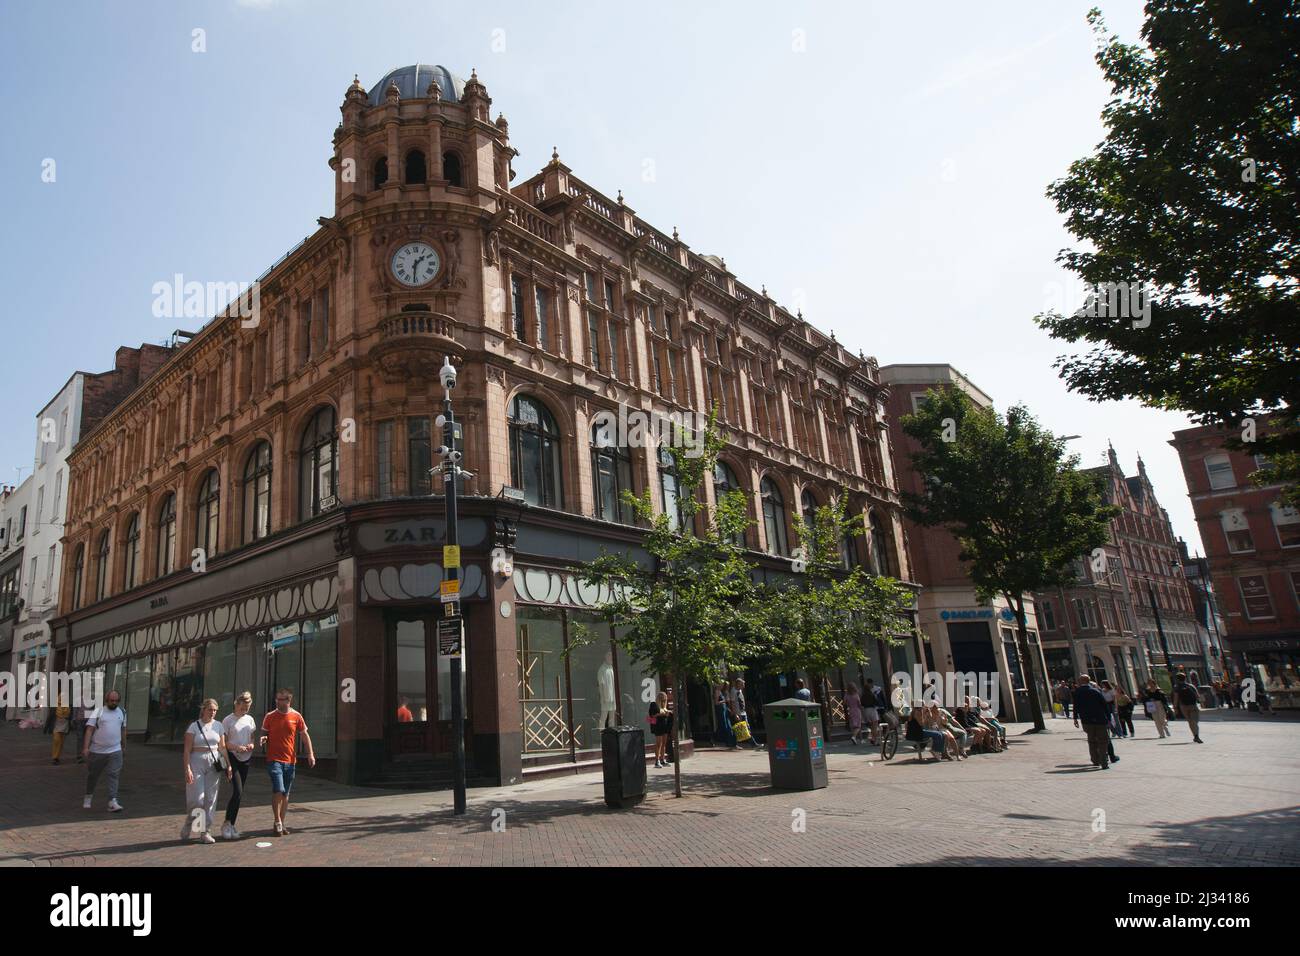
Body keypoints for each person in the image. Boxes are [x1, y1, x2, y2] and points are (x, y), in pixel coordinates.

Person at [260, 688, 315, 837]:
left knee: (285, 793)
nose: (277, 702)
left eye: (281, 699)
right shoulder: (270, 716)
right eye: (276, 699)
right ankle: (277, 821)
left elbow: (304, 735)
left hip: (290, 761)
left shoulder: (296, 716)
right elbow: (264, 733)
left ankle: (281, 823)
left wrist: (310, 753)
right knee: (278, 789)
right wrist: (263, 739)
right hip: (274, 760)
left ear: (288, 701)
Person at [182, 698, 231, 844]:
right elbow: (186, 750)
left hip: (214, 762)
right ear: (203, 709)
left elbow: (222, 747)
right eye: (210, 709)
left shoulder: (219, 726)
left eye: (215, 710)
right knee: (197, 799)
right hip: (197, 760)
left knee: (210, 798)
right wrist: (187, 768)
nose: (213, 713)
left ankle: (205, 831)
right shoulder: (194, 727)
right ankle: (190, 820)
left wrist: (228, 765)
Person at [82, 690, 127, 811]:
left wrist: (124, 745)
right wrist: (86, 747)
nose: (114, 703)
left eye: (116, 701)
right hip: (97, 751)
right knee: (93, 775)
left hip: (115, 750)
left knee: (114, 775)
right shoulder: (98, 712)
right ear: (106, 700)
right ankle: (88, 796)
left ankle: (112, 801)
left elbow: (123, 729)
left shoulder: (122, 712)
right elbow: (89, 730)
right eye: (111, 700)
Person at [221, 691, 257, 840]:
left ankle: (231, 824)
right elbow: (224, 743)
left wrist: (251, 745)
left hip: (246, 758)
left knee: (239, 794)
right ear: (236, 704)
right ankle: (226, 823)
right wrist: (236, 748)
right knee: (237, 790)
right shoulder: (227, 720)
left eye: (247, 708)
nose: (245, 711)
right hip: (232, 757)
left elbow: (252, 737)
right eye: (243, 708)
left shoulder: (250, 719)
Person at [1073, 675, 1113, 769]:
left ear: (1082, 681)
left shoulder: (1078, 692)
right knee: (1103, 741)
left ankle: (1095, 760)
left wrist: (1075, 718)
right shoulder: (1095, 691)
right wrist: (1108, 718)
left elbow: (1076, 705)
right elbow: (1104, 705)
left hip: (1086, 721)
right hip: (1100, 720)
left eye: (1079, 680)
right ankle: (1104, 761)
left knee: (1091, 740)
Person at [730, 677, 762, 749]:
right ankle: (753, 744)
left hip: (743, 712)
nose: (743, 686)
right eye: (742, 684)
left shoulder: (740, 690)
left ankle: (734, 743)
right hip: (738, 713)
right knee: (743, 728)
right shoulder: (733, 691)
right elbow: (732, 703)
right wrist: (735, 714)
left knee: (743, 728)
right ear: (738, 684)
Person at [1173, 674, 1203, 743]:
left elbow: (1176, 698)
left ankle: (1195, 735)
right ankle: (1196, 736)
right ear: (1185, 678)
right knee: (1195, 721)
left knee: (1190, 721)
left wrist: (1175, 708)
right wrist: (1201, 703)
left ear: (1177, 679)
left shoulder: (1176, 687)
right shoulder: (1190, 686)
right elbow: (1198, 696)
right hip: (1193, 705)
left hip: (1183, 706)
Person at [649, 691, 672, 768]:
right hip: (657, 726)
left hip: (664, 726)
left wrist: (668, 713)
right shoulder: (654, 704)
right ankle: (657, 761)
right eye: (662, 699)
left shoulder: (664, 707)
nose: (664, 701)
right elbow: (651, 716)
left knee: (664, 743)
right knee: (659, 743)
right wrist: (661, 714)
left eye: (665, 699)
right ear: (658, 698)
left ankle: (662, 759)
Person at [714, 684, 736, 748]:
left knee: (727, 726)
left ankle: (730, 742)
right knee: (724, 726)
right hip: (721, 711)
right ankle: (727, 742)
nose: (722, 686)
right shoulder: (717, 691)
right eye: (721, 685)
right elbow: (716, 703)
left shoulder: (721, 692)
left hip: (724, 710)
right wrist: (724, 701)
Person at [51, 697, 71, 765]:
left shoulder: (67, 707)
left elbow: (69, 716)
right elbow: (50, 716)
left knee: (61, 742)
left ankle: (56, 757)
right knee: (56, 740)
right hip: (56, 726)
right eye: (60, 698)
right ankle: (54, 756)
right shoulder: (55, 706)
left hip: (64, 726)